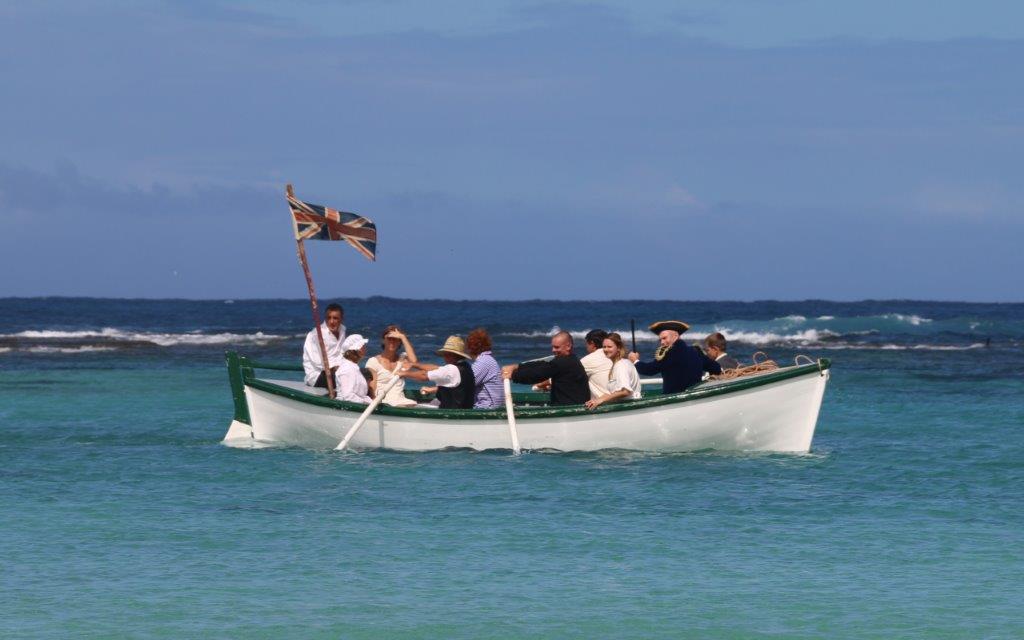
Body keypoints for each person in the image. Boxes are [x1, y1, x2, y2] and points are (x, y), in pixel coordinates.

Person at [628, 320, 720, 394]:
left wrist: (635, 361)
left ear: (676, 336)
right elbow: (716, 368)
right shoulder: (696, 351)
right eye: (660, 340)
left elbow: (649, 370)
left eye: (664, 338)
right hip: (696, 396)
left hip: (675, 400)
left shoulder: (669, 354)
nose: (662, 342)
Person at [502, 331, 589, 406]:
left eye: (557, 347)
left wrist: (513, 376)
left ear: (568, 346)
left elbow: (537, 374)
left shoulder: (562, 363)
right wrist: (517, 366)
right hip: (572, 405)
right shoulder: (572, 359)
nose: (553, 350)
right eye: (553, 347)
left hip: (569, 408)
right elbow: (542, 364)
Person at [399, 336, 476, 409]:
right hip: (464, 410)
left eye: (446, 354)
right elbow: (436, 368)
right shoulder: (465, 366)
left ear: (453, 355)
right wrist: (413, 365)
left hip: (452, 414)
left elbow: (424, 375)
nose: (444, 357)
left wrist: (404, 373)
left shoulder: (452, 369)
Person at [365, 325, 419, 407]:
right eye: (389, 338)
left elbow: (414, 361)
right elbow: (372, 389)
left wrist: (403, 337)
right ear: (383, 340)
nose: (392, 342)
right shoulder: (373, 362)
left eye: (396, 339)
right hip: (383, 403)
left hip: (401, 401)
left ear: (400, 342)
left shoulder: (402, 360)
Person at [586, 332, 641, 410]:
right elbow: (616, 392)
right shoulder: (619, 364)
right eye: (604, 347)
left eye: (609, 347)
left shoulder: (621, 365)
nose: (606, 349)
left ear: (618, 347)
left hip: (631, 408)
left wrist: (602, 399)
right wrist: (598, 399)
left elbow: (625, 391)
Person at [302, 303, 346, 387]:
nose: (331, 321)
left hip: (337, 371)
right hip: (317, 375)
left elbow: (341, 354)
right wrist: (336, 367)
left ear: (342, 319)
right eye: (328, 318)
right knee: (345, 377)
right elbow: (318, 362)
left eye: (335, 318)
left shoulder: (342, 330)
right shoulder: (316, 334)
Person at [466, 328, 505, 409]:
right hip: (492, 406)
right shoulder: (488, 359)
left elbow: (464, 383)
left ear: (470, 348)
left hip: (487, 407)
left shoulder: (483, 362)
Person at [334, 334, 372, 403]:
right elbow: (348, 396)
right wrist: (365, 403)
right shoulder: (347, 368)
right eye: (362, 346)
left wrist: (371, 402)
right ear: (356, 350)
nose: (365, 349)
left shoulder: (353, 367)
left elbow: (361, 396)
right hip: (346, 407)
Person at [580, 329, 612, 399]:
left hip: (603, 401)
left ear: (592, 343)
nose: (586, 347)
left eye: (587, 344)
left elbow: (570, 377)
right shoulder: (614, 357)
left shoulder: (587, 360)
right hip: (619, 397)